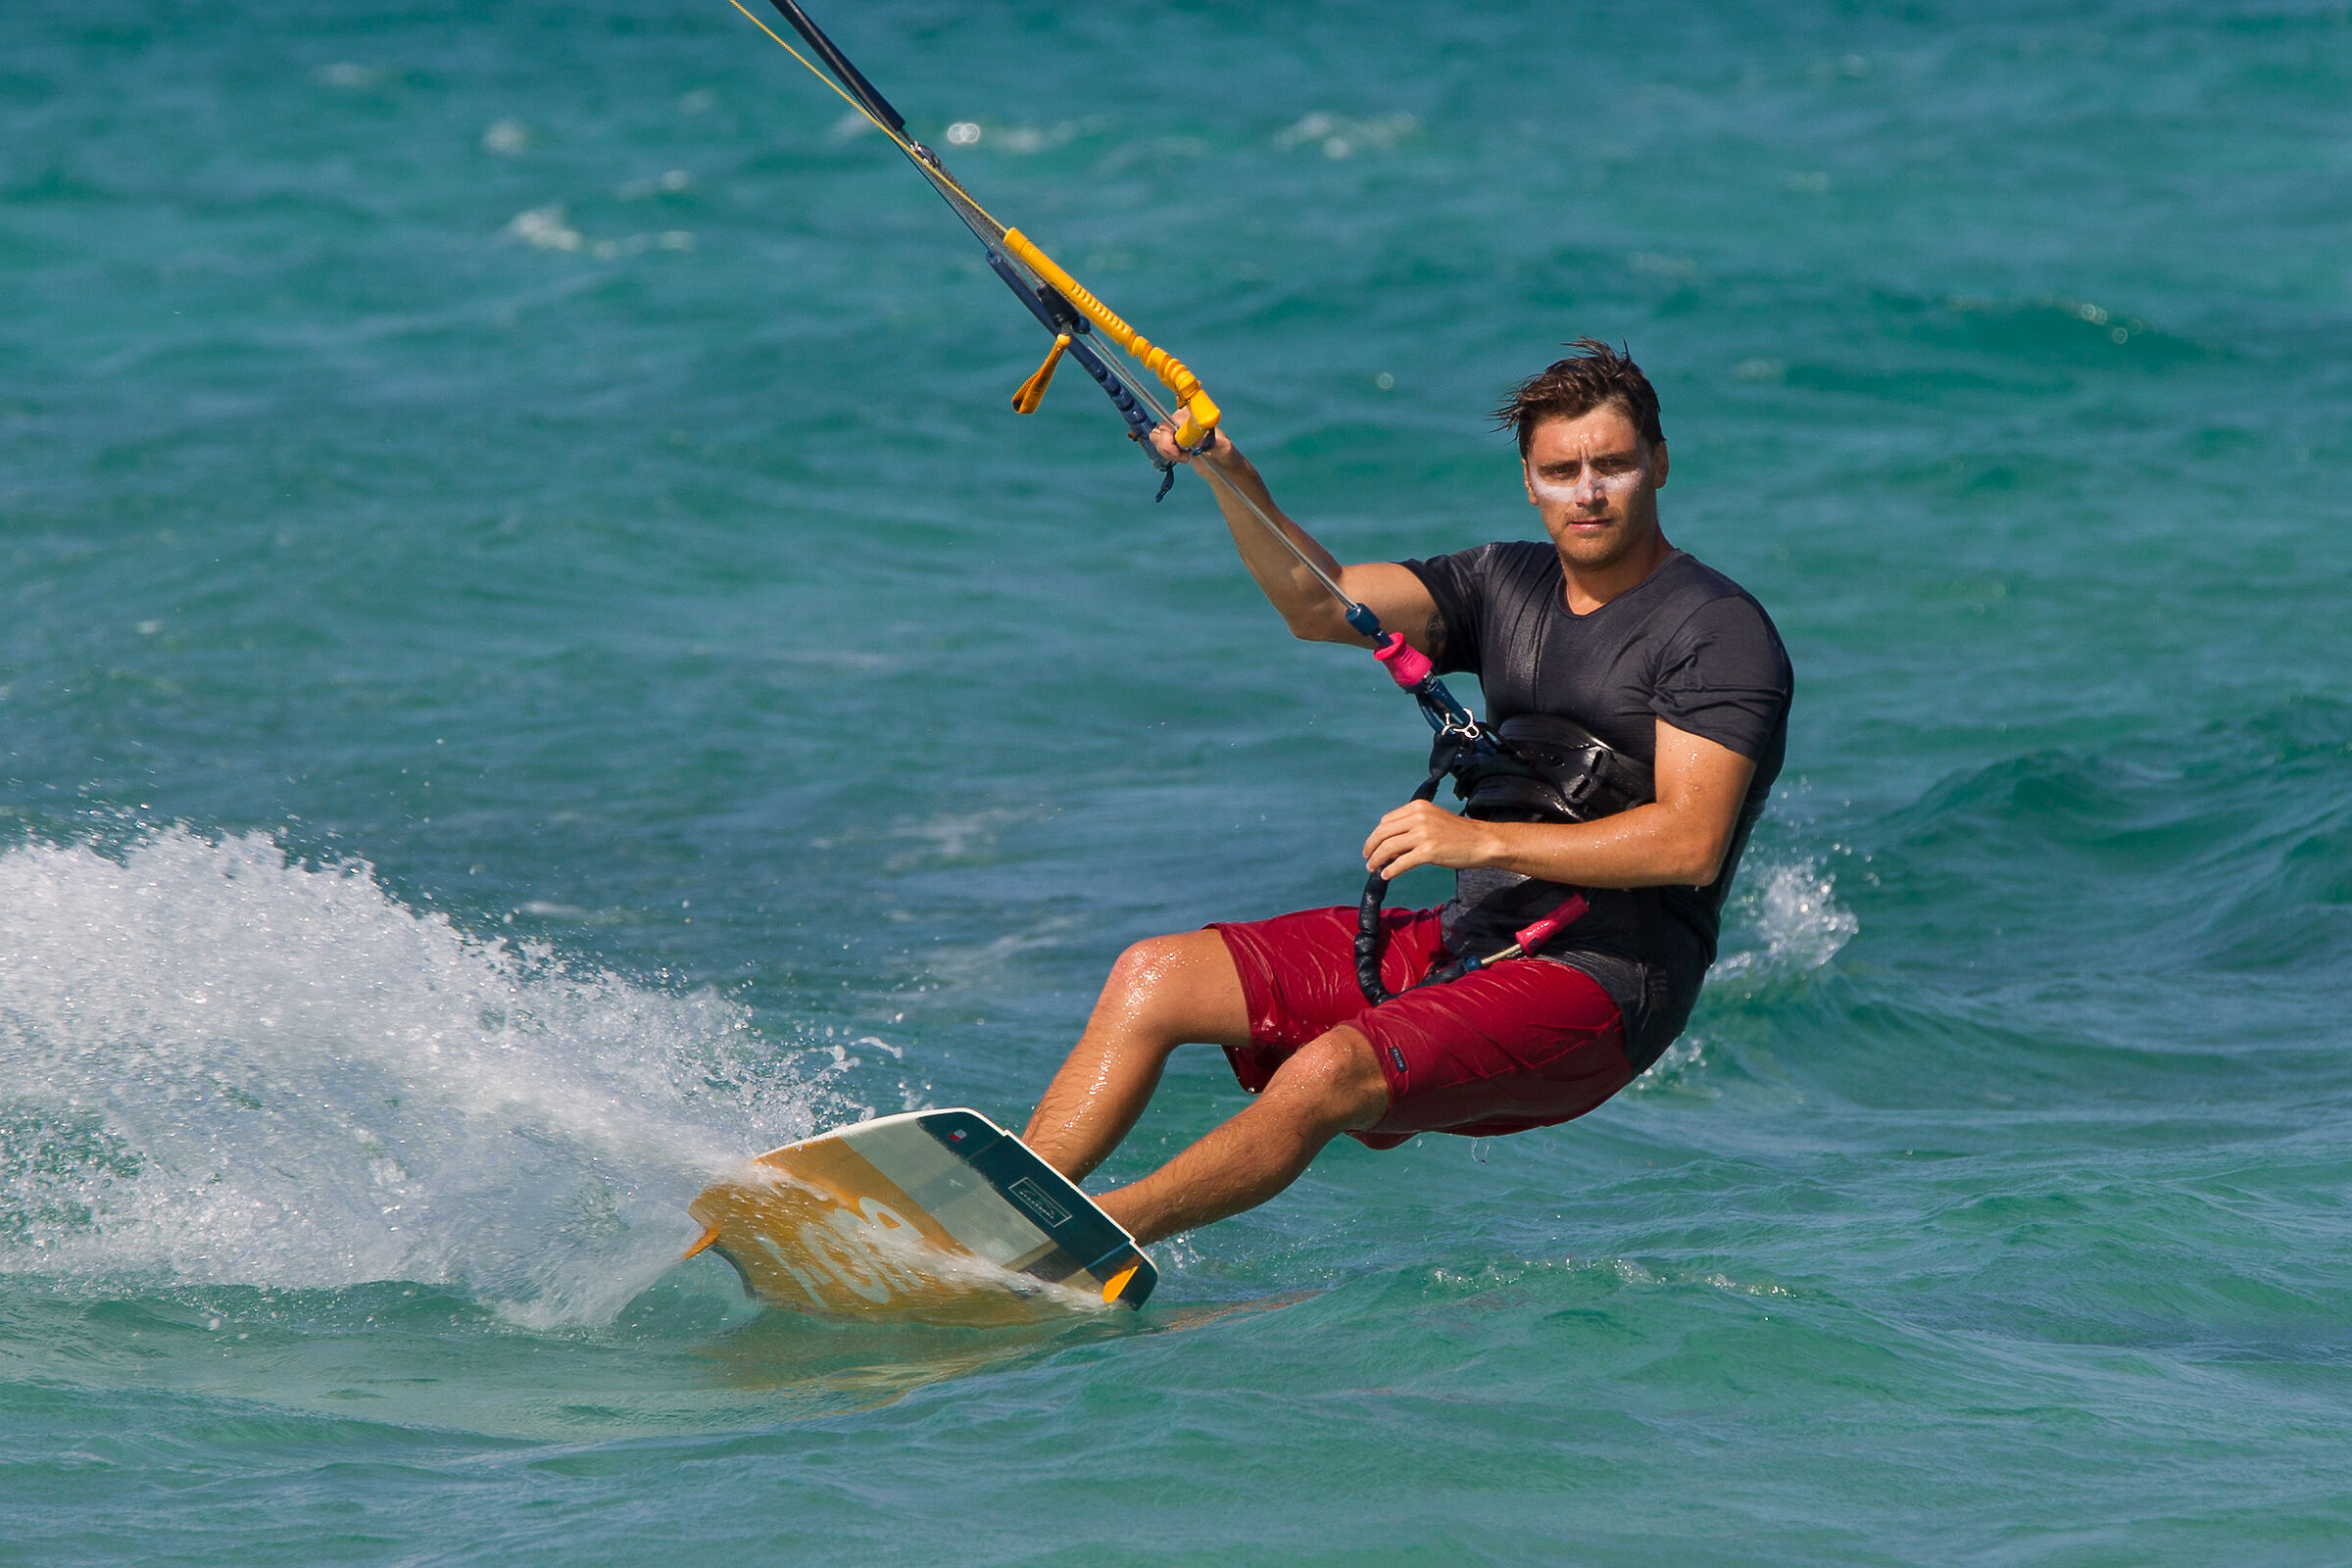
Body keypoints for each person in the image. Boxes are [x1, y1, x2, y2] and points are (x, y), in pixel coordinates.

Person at [1022, 340, 1792, 1248]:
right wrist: (1228, 473)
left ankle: (1075, 1247)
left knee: (1327, 1073)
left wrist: (1483, 843)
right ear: (1529, 482)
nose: (1587, 491)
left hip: (1607, 979)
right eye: (1561, 470)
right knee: (1153, 977)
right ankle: (1014, 1207)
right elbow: (1325, 602)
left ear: (1658, 465)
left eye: (1613, 465)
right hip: (1478, 937)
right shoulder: (1507, 583)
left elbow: (1688, 843)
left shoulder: (1716, 632)